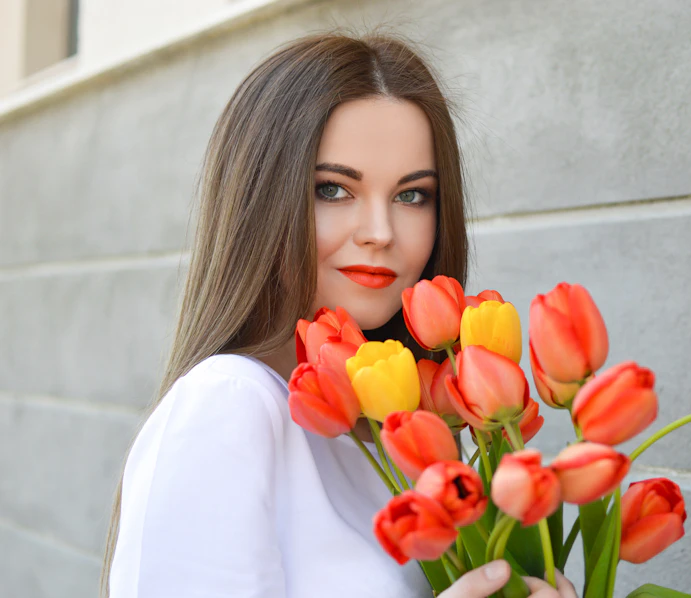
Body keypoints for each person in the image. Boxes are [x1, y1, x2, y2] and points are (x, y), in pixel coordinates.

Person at [101, 32, 578, 598]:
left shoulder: (399, 433)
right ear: (260, 202)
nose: (379, 233)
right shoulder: (229, 404)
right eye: (333, 189)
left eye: (411, 196)